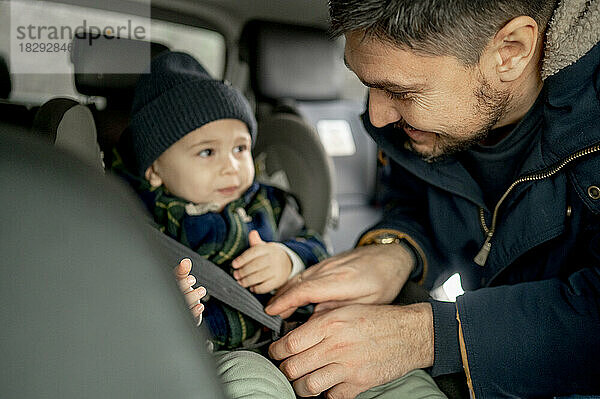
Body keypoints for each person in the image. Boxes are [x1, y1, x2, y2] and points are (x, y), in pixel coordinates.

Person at [264, 0, 600, 398]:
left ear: (510, 51)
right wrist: (395, 251)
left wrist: (426, 335)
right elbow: (415, 200)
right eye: (366, 84)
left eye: (400, 92)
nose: (376, 116)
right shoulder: (428, 120)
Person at [112, 51, 330, 398]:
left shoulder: (268, 202)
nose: (231, 166)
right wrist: (166, 306)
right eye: (207, 152)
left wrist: (289, 259)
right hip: (218, 355)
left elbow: (318, 247)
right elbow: (112, 300)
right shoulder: (135, 221)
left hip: (295, 336)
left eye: (240, 148)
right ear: (154, 169)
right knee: (251, 382)